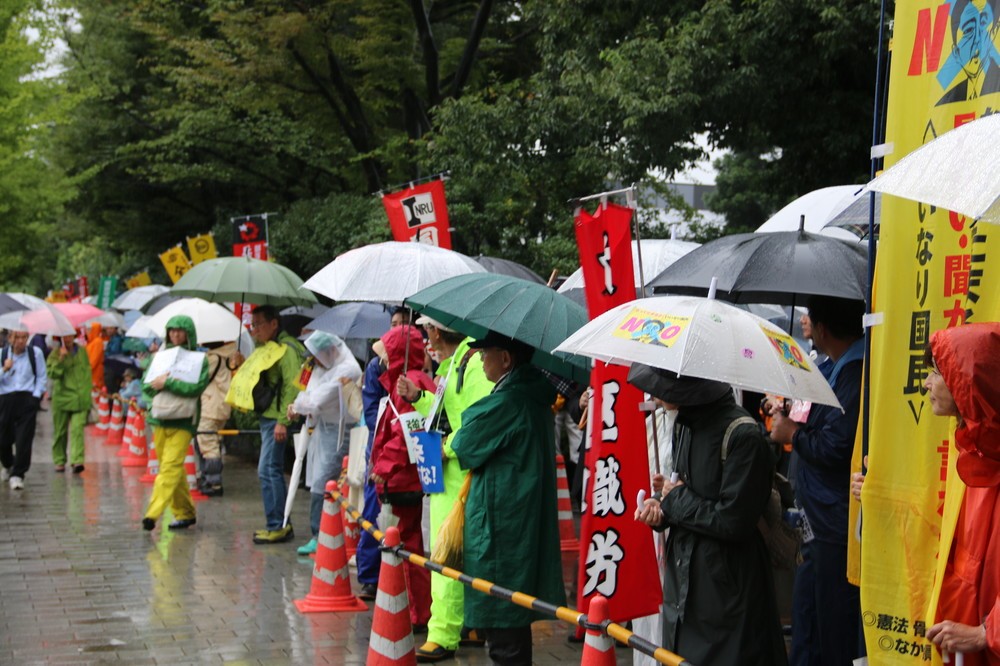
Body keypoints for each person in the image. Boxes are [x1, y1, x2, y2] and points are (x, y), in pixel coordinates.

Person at [631, 365, 787, 666]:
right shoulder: (684, 424)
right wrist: (659, 509)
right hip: (684, 582)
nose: (657, 393)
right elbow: (677, 491)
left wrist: (674, 499)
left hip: (728, 589)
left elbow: (733, 520)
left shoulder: (743, 435)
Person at [448, 330, 565, 664]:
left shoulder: (510, 400)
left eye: (486, 353)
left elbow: (465, 443)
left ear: (506, 359)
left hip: (504, 525)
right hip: (518, 519)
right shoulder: (530, 395)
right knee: (511, 623)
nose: (481, 359)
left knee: (504, 622)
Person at [768, 296, 865, 666]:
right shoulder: (834, 366)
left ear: (822, 328)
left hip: (834, 522)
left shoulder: (855, 373)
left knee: (831, 626)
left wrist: (794, 432)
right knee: (809, 619)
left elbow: (834, 446)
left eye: (810, 319)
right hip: (817, 517)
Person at [396, 315, 495, 662]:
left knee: (446, 553)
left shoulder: (472, 363)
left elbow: (479, 420)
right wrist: (419, 397)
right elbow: (448, 416)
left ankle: (442, 633)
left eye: (426, 329)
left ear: (436, 332)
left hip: (459, 475)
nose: (424, 336)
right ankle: (465, 624)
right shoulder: (456, 363)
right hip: (448, 474)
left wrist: (448, 447)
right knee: (452, 553)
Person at [921, 323, 1000, 664]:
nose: (926, 383)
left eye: (936, 372)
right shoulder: (975, 452)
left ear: (968, 382)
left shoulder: (982, 455)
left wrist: (985, 632)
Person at [369, 325, 435, 630]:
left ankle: (416, 613)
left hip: (403, 480)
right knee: (410, 547)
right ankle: (417, 610)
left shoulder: (408, 385)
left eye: (385, 353)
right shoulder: (410, 382)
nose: (381, 360)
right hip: (405, 479)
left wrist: (382, 470)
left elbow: (403, 433)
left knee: (407, 549)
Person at [287, 331, 361, 555]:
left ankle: (321, 534)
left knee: (324, 481)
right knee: (317, 479)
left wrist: (299, 406)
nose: (314, 361)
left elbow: (318, 399)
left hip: (341, 431)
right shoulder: (324, 367)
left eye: (316, 355)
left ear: (330, 351)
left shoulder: (348, 369)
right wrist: (300, 405)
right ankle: (322, 534)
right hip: (321, 428)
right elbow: (309, 394)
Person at [356, 306, 409, 599]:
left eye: (404, 323)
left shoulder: (418, 364)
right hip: (380, 441)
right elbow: (371, 407)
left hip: (406, 443)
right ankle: (370, 575)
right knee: (374, 507)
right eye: (393, 323)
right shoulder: (377, 365)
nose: (398, 327)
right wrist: (392, 423)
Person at [141, 315, 210, 531]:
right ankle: (185, 513)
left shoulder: (199, 359)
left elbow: (196, 388)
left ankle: (153, 513)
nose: (175, 334)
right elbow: (147, 387)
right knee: (172, 469)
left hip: (184, 420)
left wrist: (168, 383)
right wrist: (161, 383)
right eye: (172, 330)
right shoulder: (158, 357)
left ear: (189, 333)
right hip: (159, 418)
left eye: (180, 330)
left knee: (170, 468)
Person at [245, 305, 306, 545]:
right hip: (268, 416)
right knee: (270, 469)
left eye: (259, 324)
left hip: (276, 419)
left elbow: (293, 386)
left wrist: (283, 421)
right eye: (253, 324)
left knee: (268, 469)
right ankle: (278, 524)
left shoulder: (286, 349)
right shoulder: (267, 348)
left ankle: (278, 525)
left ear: (274, 324)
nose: (255, 329)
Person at [0, 329, 48, 489]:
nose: (21, 341)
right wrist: (4, 369)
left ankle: (18, 474)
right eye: (17, 337)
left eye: (24, 337)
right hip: (6, 400)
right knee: (3, 439)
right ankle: (8, 463)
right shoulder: (2, 354)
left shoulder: (35, 353)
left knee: (23, 439)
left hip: (27, 399)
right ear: (10, 338)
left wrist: (36, 395)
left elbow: (41, 376)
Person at [197, 339, 240, 497]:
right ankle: (209, 478)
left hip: (210, 405)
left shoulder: (213, 358)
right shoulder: (230, 355)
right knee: (214, 441)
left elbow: (200, 379)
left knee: (208, 443)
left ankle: (213, 482)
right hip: (222, 405)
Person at [47, 333, 93, 473]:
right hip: (62, 398)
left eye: (70, 335)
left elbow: (87, 372)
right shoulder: (55, 354)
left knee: (77, 429)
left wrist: (87, 394)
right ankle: (59, 459)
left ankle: (77, 460)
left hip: (79, 398)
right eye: (64, 336)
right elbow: (52, 374)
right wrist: (60, 359)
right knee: (60, 431)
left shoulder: (82, 351)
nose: (67, 339)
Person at [85, 321, 105, 391]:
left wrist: (86, 369)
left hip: (95, 372)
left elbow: (94, 359)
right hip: (89, 372)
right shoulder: (91, 342)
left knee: (95, 391)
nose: (87, 332)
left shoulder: (98, 342)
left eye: (90, 330)